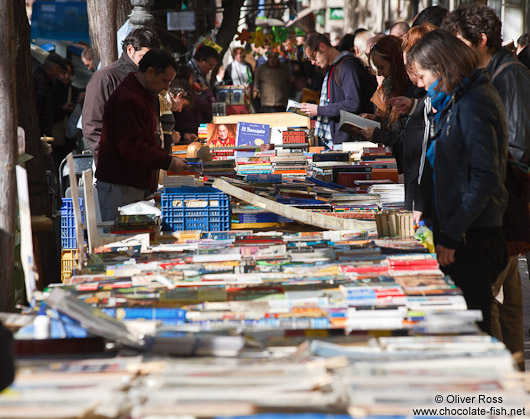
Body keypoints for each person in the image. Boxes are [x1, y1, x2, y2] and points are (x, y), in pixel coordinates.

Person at [443, 2, 530, 360]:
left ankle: (500, 385)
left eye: (459, 42)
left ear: (480, 40)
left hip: (502, 206)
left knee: (487, 300)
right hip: (497, 207)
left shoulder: (509, 75)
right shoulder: (485, 75)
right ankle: (513, 371)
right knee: (504, 297)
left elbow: (520, 147)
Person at [408, 30, 508, 334]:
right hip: (462, 232)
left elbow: (483, 176)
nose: (422, 85)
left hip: (472, 237)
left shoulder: (474, 102)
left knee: (473, 326)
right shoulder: (456, 101)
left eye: (423, 76)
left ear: (441, 67)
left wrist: (452, 235)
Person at [95, 50, 188, 222]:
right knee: (122, 239)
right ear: (150, 72)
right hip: (120, 184)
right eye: (165, 80)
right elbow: (131, 148)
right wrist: (168, 161)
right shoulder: (129, 99)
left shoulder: (141, 95)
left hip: (130, 183)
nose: (167, 86)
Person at [82, 28, 160, 166]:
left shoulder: (147, 79)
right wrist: (112, 159)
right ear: (130, 50)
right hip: (116, 169)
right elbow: (92, 126)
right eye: (144, 56)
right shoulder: (105, 78)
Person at [299, 32, 377, 148]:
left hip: (350, 142)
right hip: (339, 140)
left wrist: (319, 110)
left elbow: (353, 103)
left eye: (313, 57)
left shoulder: (347, 67)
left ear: (322, 47)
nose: (313, 62)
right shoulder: (333, 68)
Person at [33, 52, 68, 139]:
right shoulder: (40, 80)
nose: (59, 75)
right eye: (60, 71)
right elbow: (37, 105)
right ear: (54, 68)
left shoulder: (45, 80)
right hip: (39, 131)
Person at [159, 79, 194, 152]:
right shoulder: (161, 101)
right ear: (179, 95)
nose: (180, 110)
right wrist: (170, 138)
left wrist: (183, 136)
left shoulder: (166, 103)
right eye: (183, 105)